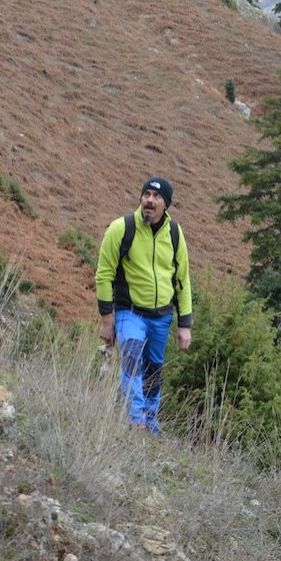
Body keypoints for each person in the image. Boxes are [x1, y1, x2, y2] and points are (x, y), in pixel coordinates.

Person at [95, 176, 193, 434]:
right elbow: (103, 274)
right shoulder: (121, 228)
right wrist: (107, 319)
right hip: (130, 312)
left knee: (153, 369)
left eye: (157, 197)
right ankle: (135, 418)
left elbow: (182, 280)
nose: (150, 200)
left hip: (162, 317)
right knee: (131, 358)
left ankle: (150, 421)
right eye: (146, 194)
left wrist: (185, 325)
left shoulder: (174, 233)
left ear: (166, 204)